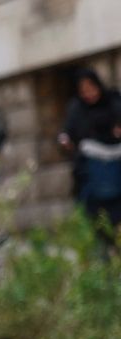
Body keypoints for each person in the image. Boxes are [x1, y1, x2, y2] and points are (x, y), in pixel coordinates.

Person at [59, 67, 121, 247]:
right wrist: (65, 141)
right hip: (92, 181)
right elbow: (67, 133)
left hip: (117, 173)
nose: (89, 94)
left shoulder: (113, 100)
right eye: (83, 90)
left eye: (91, 88)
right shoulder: (76, 109)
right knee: (98, 227)